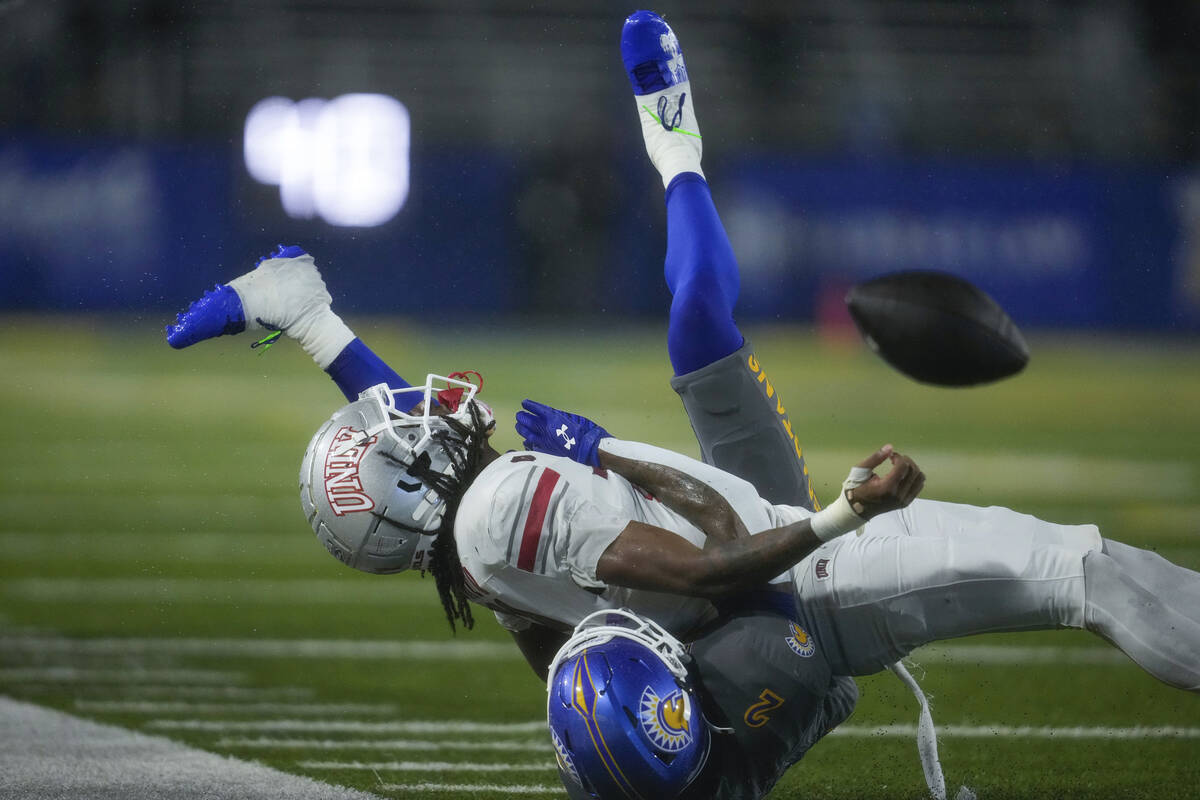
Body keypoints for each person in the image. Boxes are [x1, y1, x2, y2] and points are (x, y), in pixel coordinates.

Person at [166, 9, 1200, 798]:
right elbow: (717, 564)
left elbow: (414, 473)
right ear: (420, 483)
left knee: (699, 328)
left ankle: (673, 137)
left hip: (743, 555)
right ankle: (673, 147)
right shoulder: (500, 505)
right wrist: (810, 501)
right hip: (794, 572)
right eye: (406, 429)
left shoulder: (473, 552)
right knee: (1086, 569)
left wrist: (314, 324)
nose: (415, 408)